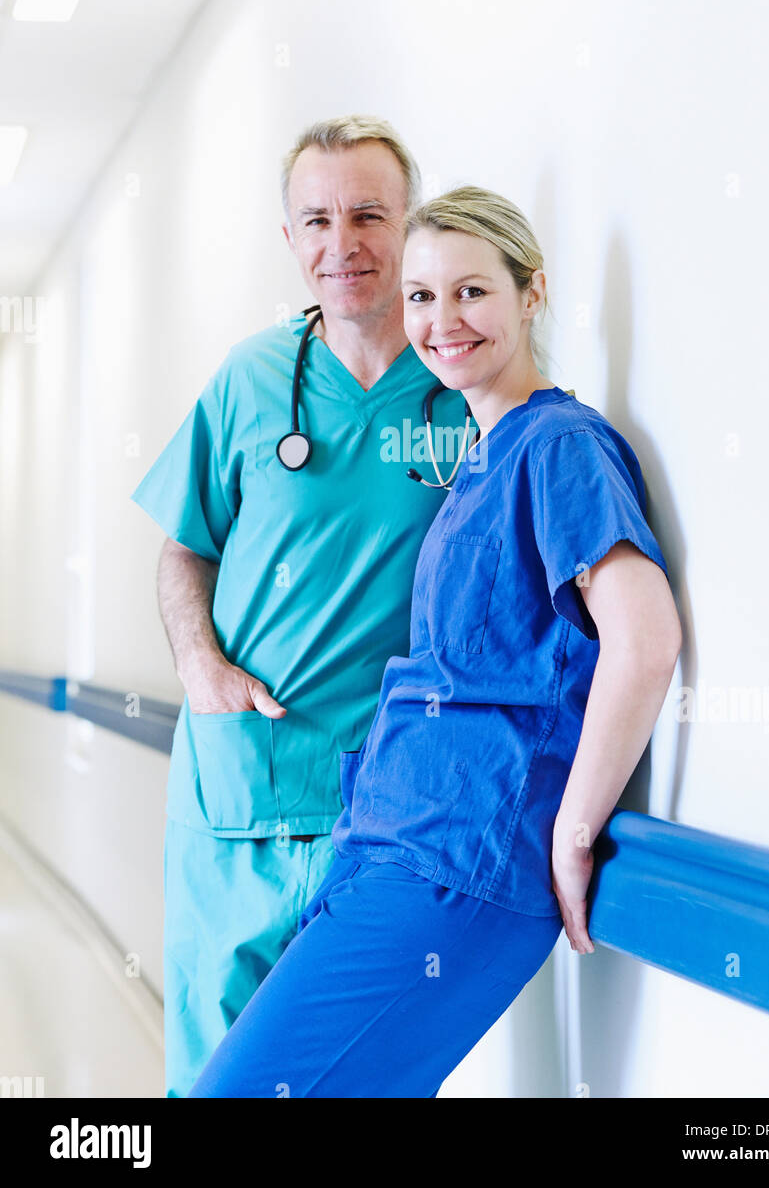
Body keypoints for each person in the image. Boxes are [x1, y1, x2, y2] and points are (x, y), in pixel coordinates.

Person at [188, 184, 683, 1099]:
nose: (442, 320)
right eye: (421, 296)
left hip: (458, 861)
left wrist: (574, 832)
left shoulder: (559, 446)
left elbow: (644, 640)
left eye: (471, 292)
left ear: (530, 293)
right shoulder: (478, 456)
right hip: (391, 842)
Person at [130, 116, 469, 1097]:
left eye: (369, 213)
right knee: (217, 1077)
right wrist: (199, 665)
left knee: (356, 1073)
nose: (342, 241)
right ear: (290, 239)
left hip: (384, 804)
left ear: (411, 224)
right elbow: (183, 549)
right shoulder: (247, 382)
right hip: (237, 789)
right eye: (315, 218)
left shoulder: (459, 386)